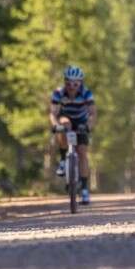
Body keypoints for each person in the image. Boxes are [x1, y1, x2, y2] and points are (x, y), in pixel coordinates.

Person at [49, 65, 95, 204]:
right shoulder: (59, 93)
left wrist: (88, 126)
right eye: (69, 83)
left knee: (82, 153)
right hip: (66, 117)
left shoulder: (86, 93)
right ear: (65, 82)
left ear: (80, 83)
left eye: (75, 84)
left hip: (81, 121)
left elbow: (93, 114)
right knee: (65, 125)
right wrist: (55, 125)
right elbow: (53, 113)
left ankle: (84, 188)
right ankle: (64, 159)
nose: (72, 87)